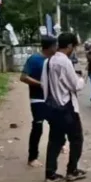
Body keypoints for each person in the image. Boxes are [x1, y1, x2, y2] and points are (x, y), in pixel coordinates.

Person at [40, 32, 86, 182]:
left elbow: (43, 84)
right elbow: (75, 85)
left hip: (52, 107)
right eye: (74, 46)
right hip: (66, 107)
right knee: (76, 139)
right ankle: (72, 171)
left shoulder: (48, 61)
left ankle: (50, 174)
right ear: (70, 46)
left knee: (55, 141)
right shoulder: (64, 62)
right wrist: (81, 78)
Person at [19, 35, 57, 167]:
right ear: (51, 47)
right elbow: (23, 77)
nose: (57, 48)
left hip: (52, 99)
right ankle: (32, 157)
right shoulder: (34, 59)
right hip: (37, 99)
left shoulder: (54, 60)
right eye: (56, 45)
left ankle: (59, 146)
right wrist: (41, 84)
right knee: (38, 128)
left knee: (57, 125)